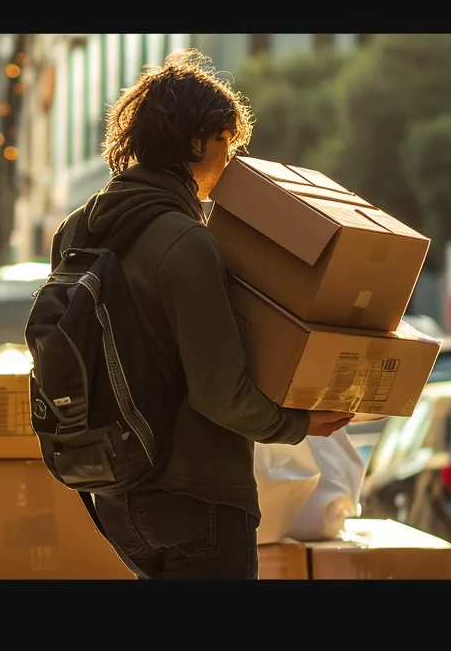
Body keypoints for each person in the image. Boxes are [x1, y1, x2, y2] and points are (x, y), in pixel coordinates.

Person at [50, 50, 353, 580]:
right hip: (197, 499)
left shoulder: (78, 229)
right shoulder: (186, 242)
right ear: (196, 141)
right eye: (225, 142)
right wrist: (300, 424)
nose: (231, 158)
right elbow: (220, 395)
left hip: (117, 494)